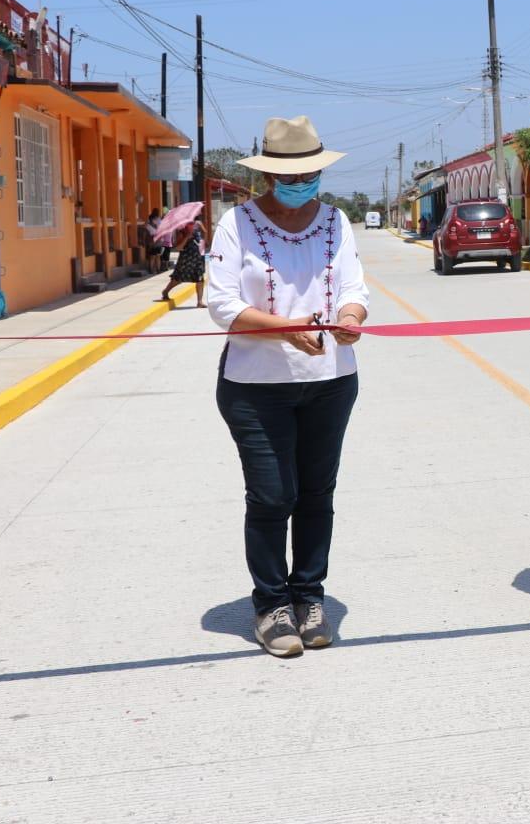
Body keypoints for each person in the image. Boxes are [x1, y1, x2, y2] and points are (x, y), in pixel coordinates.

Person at [206, 115, 370, 658]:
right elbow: (222, 305)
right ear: (269, 176)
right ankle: (271, 604)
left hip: (330, 381)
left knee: (317, 495)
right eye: (290, 175)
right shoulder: (237, 224)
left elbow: (354, 285)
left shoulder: (335, 222)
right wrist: (288, 330)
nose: (301, 183)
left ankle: (309, 597)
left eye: (310, 173)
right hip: (256, 386)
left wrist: (350, 313)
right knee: (274, 495)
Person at [161, 213, 207, 308]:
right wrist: (187, 237)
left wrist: (203, 244)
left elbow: (205, 233)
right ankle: (165, 291)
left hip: (198, 257)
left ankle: (199, 302)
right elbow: (178, 247)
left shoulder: (198, 224)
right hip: (186, 258)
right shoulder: (182, 228)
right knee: (178, 278)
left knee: (200, 279)